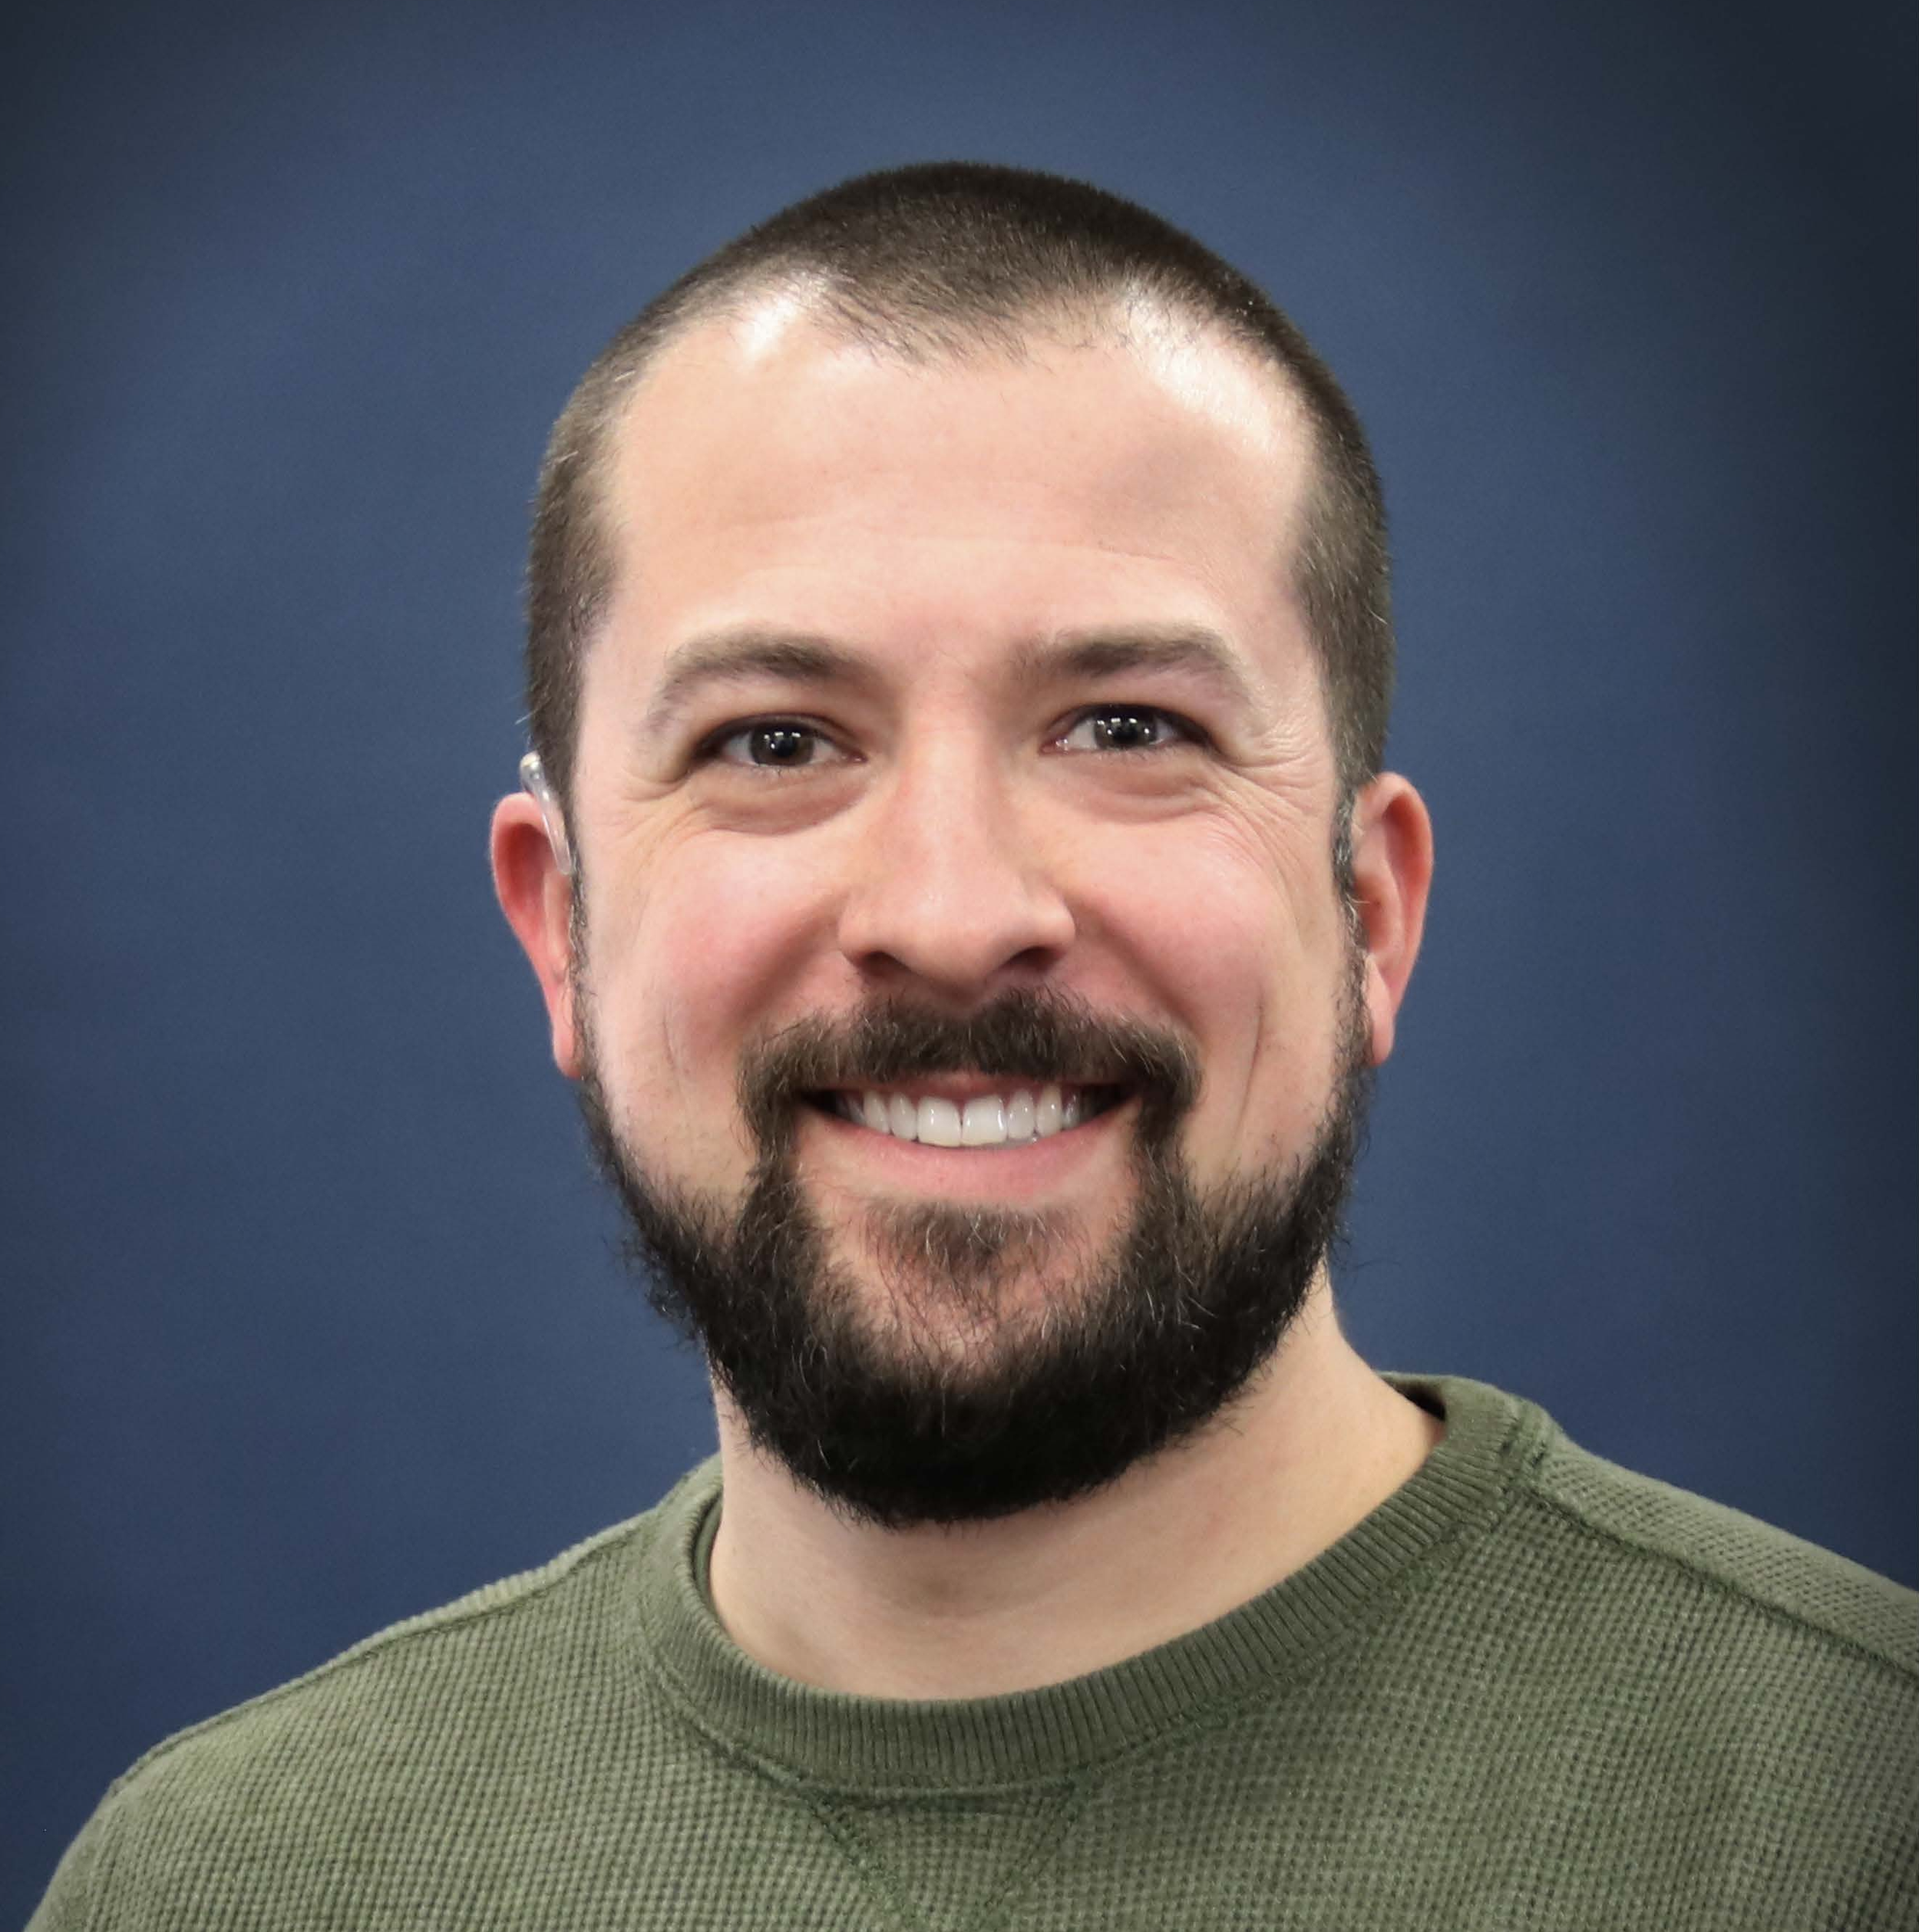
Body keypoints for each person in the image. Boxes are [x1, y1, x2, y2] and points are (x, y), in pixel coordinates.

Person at [31, 162, 1915, 1931]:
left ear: (1366, 915)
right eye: (775, 742)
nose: (946, 908)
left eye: (1123, 727)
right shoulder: (236, 1884)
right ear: (560, 925)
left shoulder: (1856, 1820)